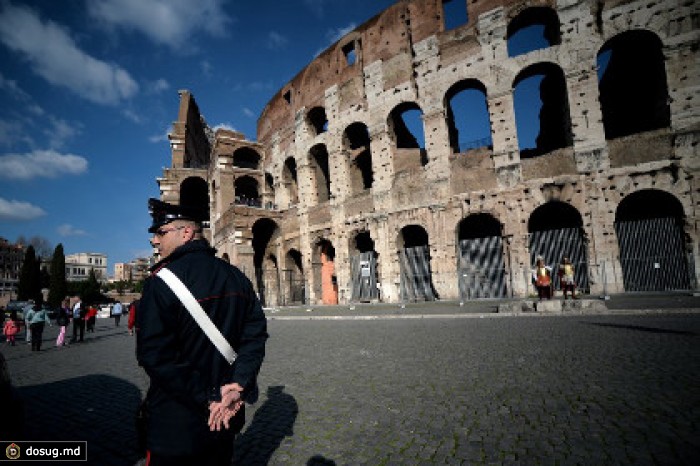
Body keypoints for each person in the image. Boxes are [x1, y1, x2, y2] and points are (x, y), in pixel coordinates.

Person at [137, 198, 268, 466]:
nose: (154, 241)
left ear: (186, 233)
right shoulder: (237, 277)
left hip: (177, 420)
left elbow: (156, 356)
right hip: (229, 412)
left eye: (161, 232)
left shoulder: (160, 283)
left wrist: (209, 397)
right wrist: (238, 385)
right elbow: (254, 337)